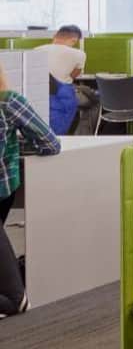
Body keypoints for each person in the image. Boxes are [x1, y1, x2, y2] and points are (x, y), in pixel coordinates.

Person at [0, 65, 61, 316]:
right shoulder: (9, 103)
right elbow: (50, 143)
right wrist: (17, 141)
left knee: (16, 300)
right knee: (16, 301)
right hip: (3, 191)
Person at [33, 25, 87, 133]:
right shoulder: (79, 54)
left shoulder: (36, 50)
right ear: (74, 40)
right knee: (95, 102)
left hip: (38, 95)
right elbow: (73, 76)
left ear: (55, 36)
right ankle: (83, 136)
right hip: (62, 97)